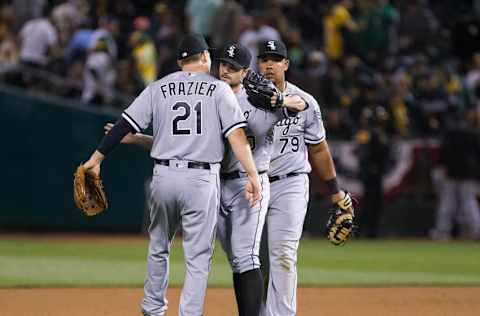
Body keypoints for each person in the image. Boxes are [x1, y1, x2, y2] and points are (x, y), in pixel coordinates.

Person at [105, 42, 306, 316]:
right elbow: (185, 147)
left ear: (246, 72)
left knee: (246, 256)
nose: (225, 70)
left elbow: (301, 104)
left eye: (233, 67)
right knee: (232, 258)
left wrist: (279, 99)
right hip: (211, 182)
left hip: (248, 184)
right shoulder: (209, 95)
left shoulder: (261, 100)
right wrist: (140, 139)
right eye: (223, 64)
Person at [82, 33, 262, 316]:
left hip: (163, 177)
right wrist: (253, 175)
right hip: (201, 180)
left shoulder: (158, 87)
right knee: (198, 257)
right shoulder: (218, 89)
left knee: (158, 246)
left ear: (180, 62)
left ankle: (152, 309)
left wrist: (96, 159)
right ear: (204, 58)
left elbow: (123, 124)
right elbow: (237, 136)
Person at [256, 40, 353, 316]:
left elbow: (319, 149)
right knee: (251, 260)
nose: (269, 64)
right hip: (253, 184)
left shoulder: (307, 102)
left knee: (284, 255)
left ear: (286, 64)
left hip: (291, 182)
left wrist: (335, 192)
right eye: (264, 59)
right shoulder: (243, 101)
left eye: (276, 59)